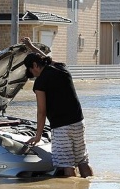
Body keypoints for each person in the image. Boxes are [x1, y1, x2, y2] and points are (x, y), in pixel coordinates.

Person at [21, 37, 93, 178]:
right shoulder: (62, 68)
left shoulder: (40, 83)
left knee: (67, 164)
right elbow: (46, 58)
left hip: (61, 127)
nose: (33, 75)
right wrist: (31, 46)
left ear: (35, 65)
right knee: (82, 160)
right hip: (78, 122)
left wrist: (38, 135)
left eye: (31, 71)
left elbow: (41, 112)